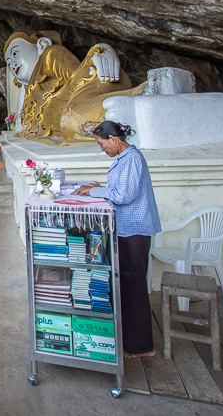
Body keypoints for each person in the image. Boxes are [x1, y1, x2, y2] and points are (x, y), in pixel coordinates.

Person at [75, 121, 162, 359]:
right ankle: (132, 341)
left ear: (114, 139)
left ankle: (141, 347)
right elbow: (122, 189)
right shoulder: (125, 159)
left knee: (133, 285)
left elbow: (123, 196)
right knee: (127, 284)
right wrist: (98, 187)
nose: (102, 149)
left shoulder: (132, 159)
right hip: (127, 228)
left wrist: (93, 191)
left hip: (134, 229)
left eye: (102, 144)